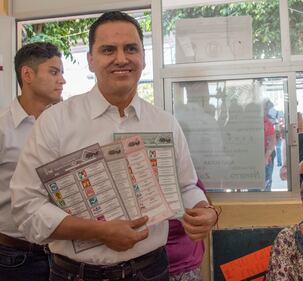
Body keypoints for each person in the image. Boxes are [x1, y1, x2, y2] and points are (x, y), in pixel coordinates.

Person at [10, 11, 217, 281]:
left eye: (131, 49)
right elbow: (26, 205)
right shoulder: (56, 122)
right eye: (109, 50)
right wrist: (99, 231)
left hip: (152, 270)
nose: (122, 59)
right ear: (91, 60)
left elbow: (186, 186)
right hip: (77, 274)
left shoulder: (164, 123)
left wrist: (204, 210)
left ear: (143, 57)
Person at [0, 42, 65, 281]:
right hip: (14, 257)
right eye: (54, 72)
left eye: (62, 73)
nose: (62, 80)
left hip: (63, 254)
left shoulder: (63, 124)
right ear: (27, 74)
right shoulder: (3, 128)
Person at [264, 100, 276, 191]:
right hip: (260, 158)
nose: (267, 111)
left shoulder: (267, 122)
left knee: (266, 184)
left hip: (266, 158)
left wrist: (266, 156)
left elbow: (272, 142)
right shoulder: (266, 122)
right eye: (266, 109)